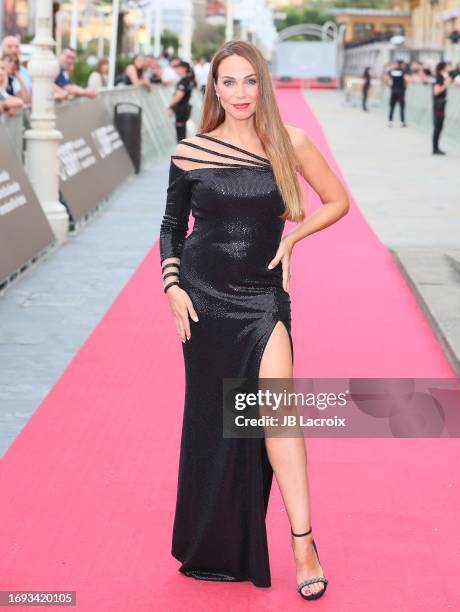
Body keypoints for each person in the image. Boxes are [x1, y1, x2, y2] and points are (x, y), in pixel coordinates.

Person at [159, 39, 349, 599]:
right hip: (203, 298)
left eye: (249, 80)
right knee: (213, 420)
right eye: (228, 82)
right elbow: (172, 227)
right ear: (214, 88)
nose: (239, 92)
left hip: (263, 298)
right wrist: (172, 286)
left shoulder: (290, 143)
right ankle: (215, 543)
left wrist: (294, 238)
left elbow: (335, 201)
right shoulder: (191, 151)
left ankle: (303, 542)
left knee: (278, 415)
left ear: (261, 84)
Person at [167, 60, 195, 142]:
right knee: (183, 132)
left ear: (184, 69)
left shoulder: (184, 81)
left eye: (178, 67)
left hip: (181, 109)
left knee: (181, 134)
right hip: (185, 108)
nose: (176, 69)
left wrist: (170, 106)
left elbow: (178, 96)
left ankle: (181, 152)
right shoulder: (189, 79)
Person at [432, 61, 452, 155]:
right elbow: (436, 91)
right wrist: (445, 85)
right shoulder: (439, 77)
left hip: (439, 105)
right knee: (438, 126)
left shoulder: (439, 77)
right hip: (439, 106)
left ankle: (436, 147)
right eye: (447, 66)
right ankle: (435, 148)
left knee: (439, 126)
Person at [384, 59, 409, 127]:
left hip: (393, 91)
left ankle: (390, 121)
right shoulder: (403, 71)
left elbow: (386, 78)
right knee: (402, 107)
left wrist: (389, 85)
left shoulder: (392, 71)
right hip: (401, 91)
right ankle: (402, 122)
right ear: (401, 64)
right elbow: (407, 79)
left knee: (392, 107)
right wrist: (406, 85)